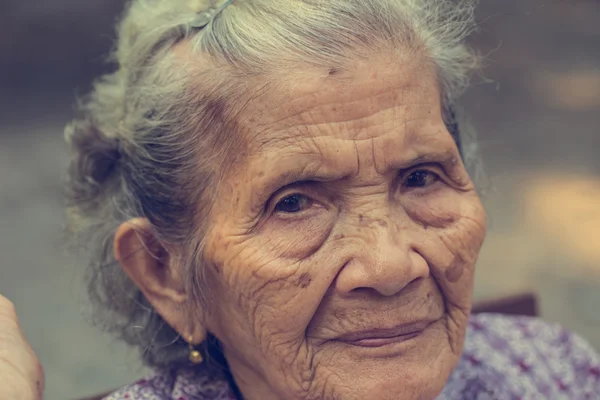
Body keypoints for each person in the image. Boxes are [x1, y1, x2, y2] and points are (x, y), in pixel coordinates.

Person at [1, 0, 599, 399]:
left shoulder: (551, 374)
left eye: (420, 178)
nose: (390, 266)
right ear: (166, 273)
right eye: (294, 203)